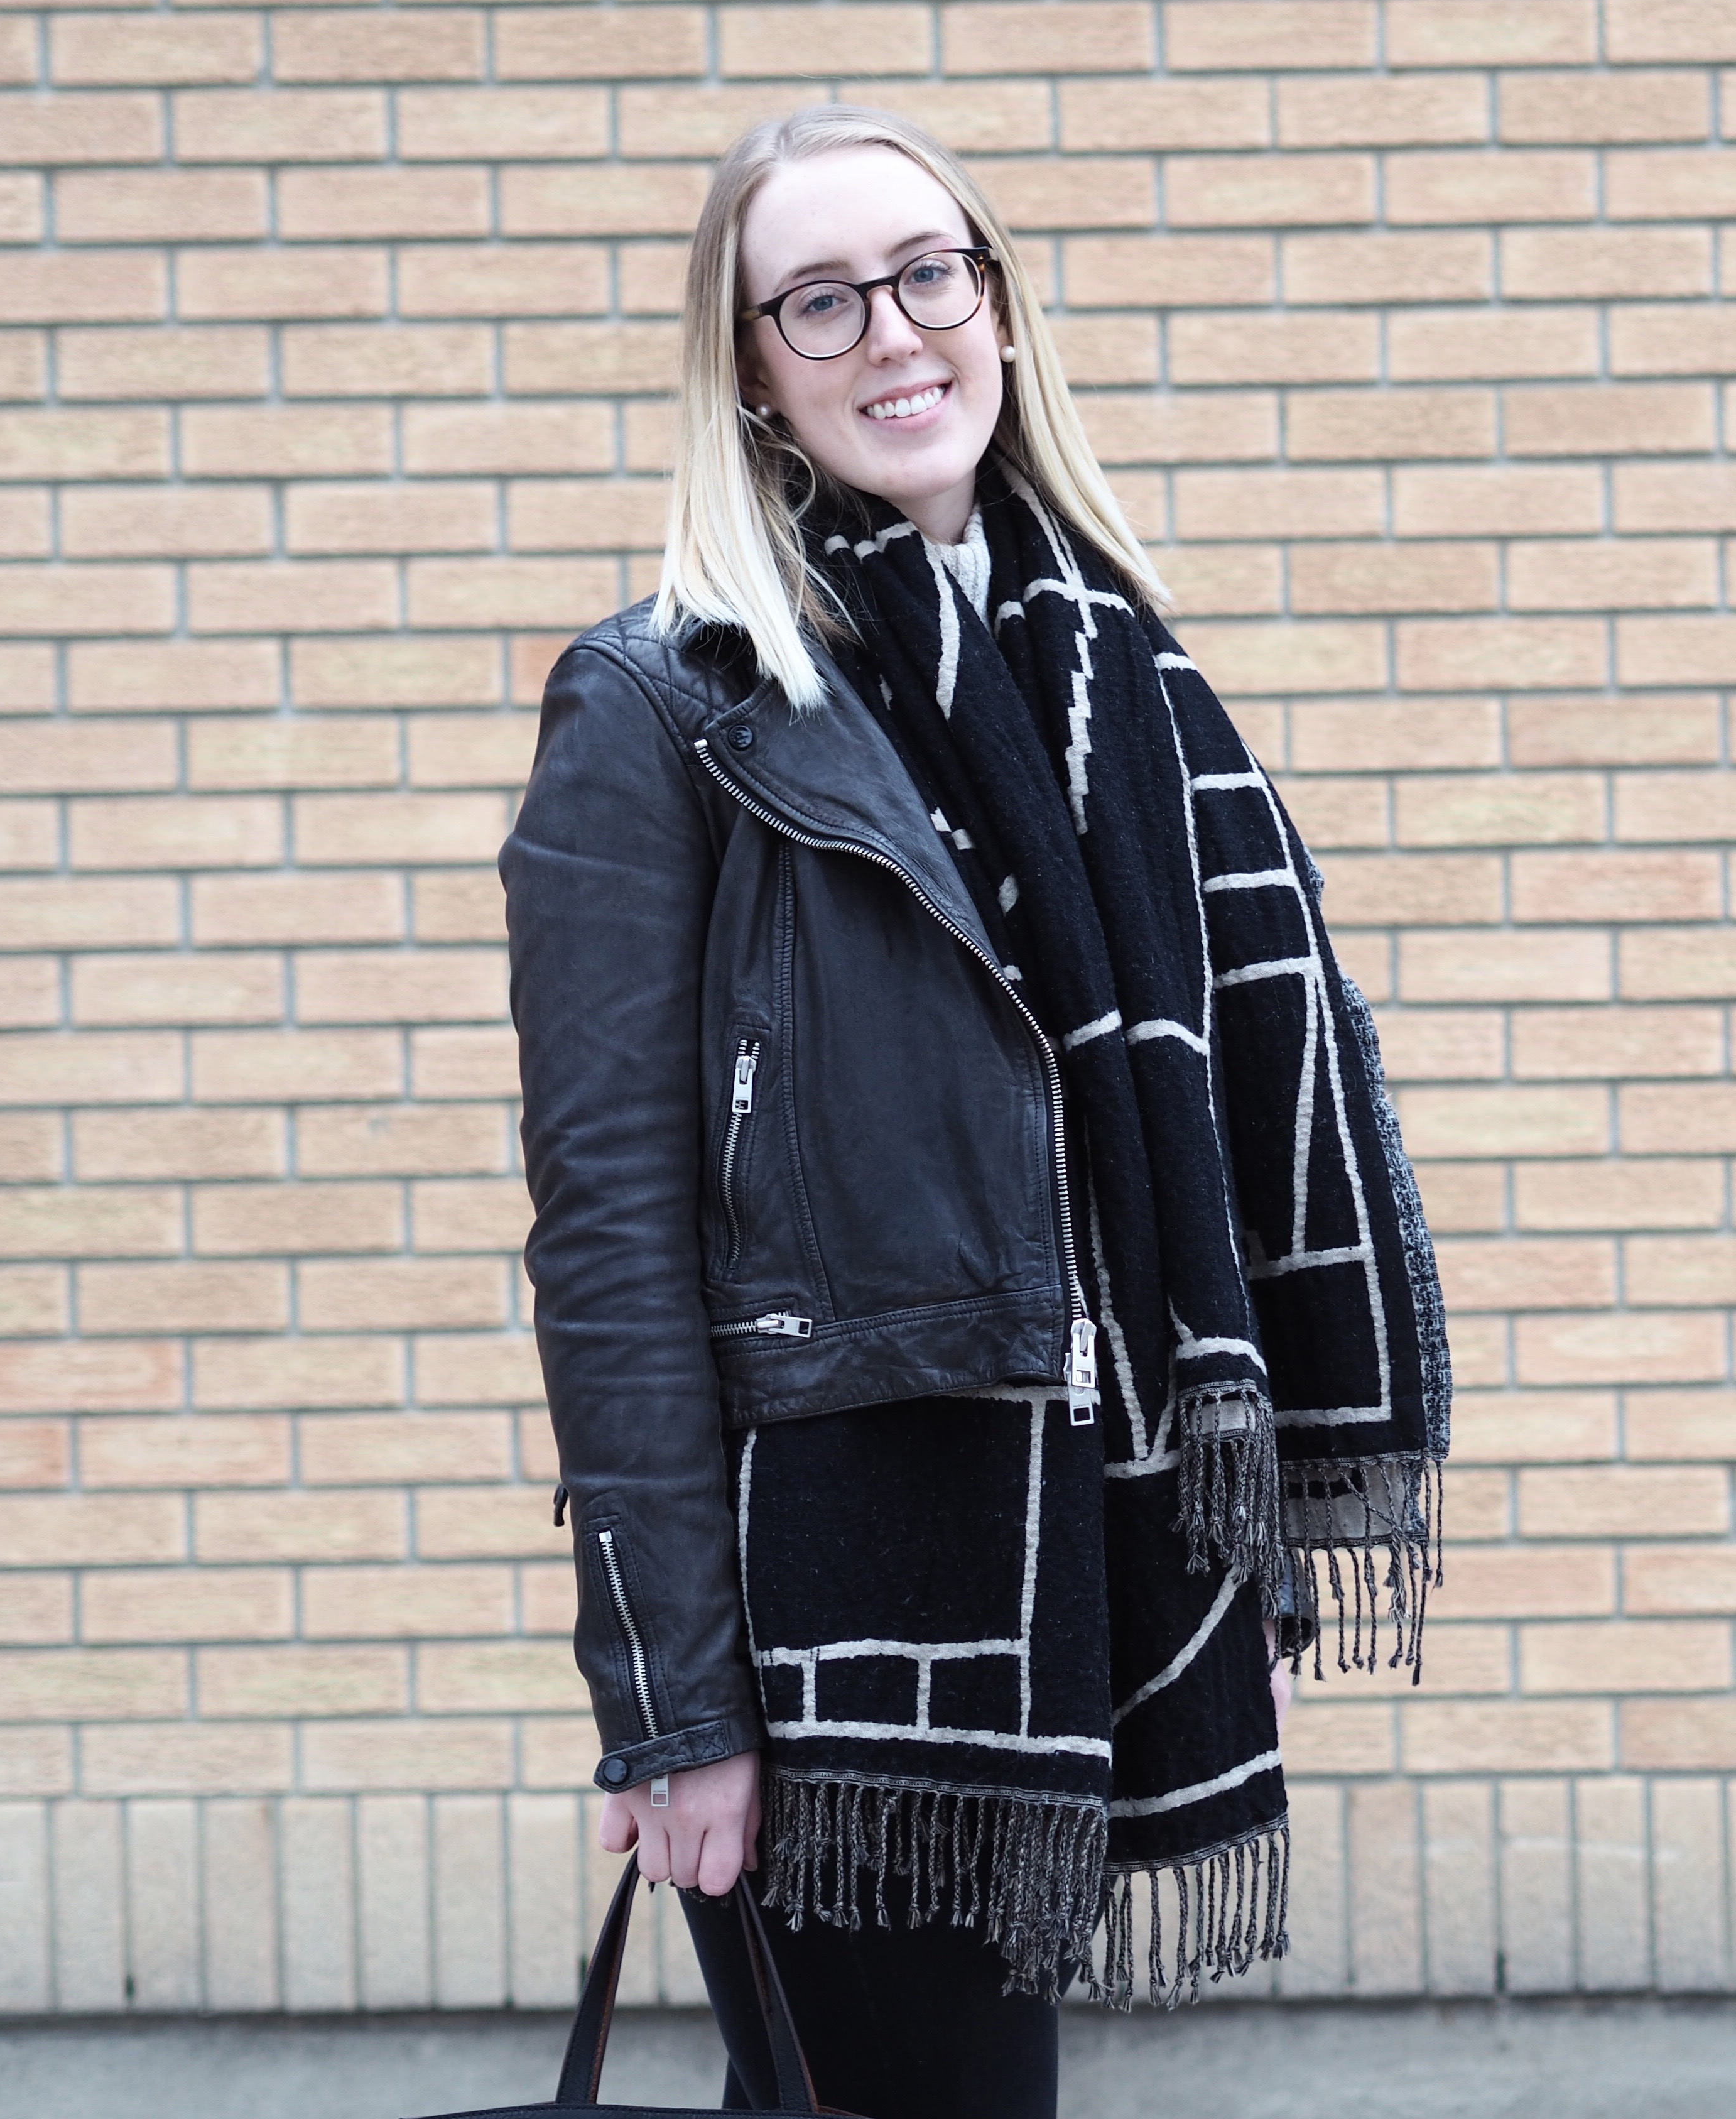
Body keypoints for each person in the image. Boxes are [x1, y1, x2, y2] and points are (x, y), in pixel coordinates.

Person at [499, 104, 1453, 2119]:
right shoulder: (666, 704)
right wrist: (675, 1707)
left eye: (930, 274)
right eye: (820, 300)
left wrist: (1216, 1539)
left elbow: (1163, 1178)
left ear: (998, 310)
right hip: (828, 1627)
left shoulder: (1122, 686)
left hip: (1052, 1580)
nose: (892, 332)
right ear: (751, 368)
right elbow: (611, 1236)